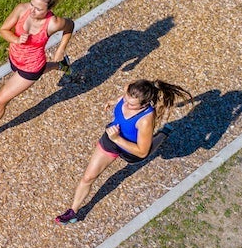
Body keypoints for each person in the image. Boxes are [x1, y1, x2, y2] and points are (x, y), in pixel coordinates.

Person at [55, 79, 192, 224]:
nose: (126, 104)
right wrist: (115, 101)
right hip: (111, 139)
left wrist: (117, 139)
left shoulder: (146, 120)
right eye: (125, 99)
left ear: (145, 104)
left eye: (131, 104)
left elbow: (142, 152)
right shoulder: (130, 90)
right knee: (88, 177)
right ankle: (73, 211)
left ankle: (163, 134)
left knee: (149, 147)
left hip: (131, 150)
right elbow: (125, 97)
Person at [0, 0, 76, 144]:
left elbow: (70, 25)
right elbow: (3, 30)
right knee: (41, 69)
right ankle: (62, 66)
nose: (32, 10)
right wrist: (17, 40)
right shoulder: (21, 9)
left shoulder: (53, 23)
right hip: (15, 57)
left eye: (38, 9)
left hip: (31, 67)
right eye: (32, 4)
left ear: (49, 10)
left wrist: (60, 49)